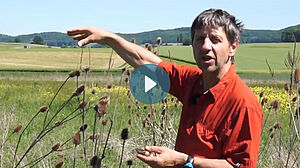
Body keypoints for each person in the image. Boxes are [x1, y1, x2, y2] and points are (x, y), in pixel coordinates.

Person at [67, 8, 263, 168]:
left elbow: (240, 166)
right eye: (199, 39)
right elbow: (145, 61)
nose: (205, 46)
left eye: (215, 40)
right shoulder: (193, 81)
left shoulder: (243, 104)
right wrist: (108, 38)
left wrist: (184, 161)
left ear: (233, 47)